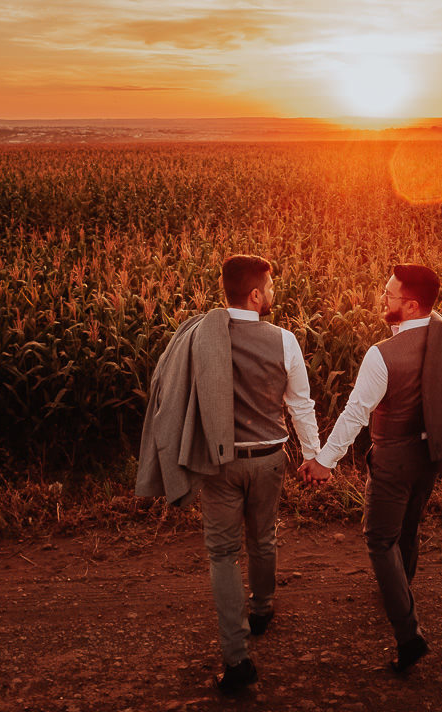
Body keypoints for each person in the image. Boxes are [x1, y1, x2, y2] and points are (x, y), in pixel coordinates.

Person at [136, 254, 320, 695]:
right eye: (270, 289)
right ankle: (262, 609)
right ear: (255, 294)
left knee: (222, 554)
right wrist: (313, 455)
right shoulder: (285, 341)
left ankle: (237, 660)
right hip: (270, 459)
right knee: (263, 538)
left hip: (219, 463)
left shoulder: (201, 338)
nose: (273, 295)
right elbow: (300, 405)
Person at [299, 264, 442, 674]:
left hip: (394, 459)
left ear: (411, 304)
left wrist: (325, 462)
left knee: (379, 540)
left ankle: (408, 634)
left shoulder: (382, 354)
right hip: (430, 455)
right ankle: (401, 591)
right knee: (408, 530)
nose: (383, 299)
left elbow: (355, 414)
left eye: (389, 295)